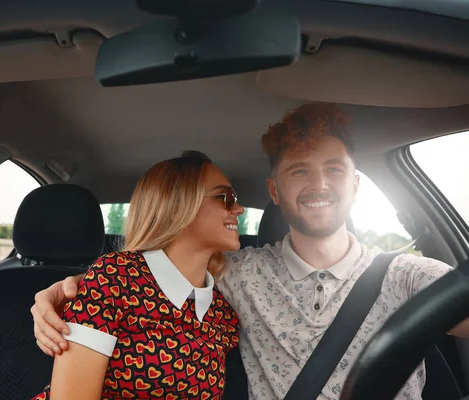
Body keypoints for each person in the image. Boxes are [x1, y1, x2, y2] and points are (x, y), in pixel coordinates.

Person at [32, 103, 469, 399]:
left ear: (355, 185)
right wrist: (67, 291)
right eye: (301, 170)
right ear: (275, 190)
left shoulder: (407, 275)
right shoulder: (240, 276)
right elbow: (152, 273)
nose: (319, 184)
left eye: (334, 169)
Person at [31, 151, 241, 400]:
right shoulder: (113, 280)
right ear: (178, 206)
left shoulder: (222, 314)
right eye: (225, 197)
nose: (238, 209)